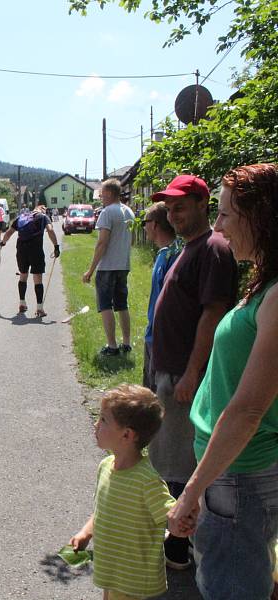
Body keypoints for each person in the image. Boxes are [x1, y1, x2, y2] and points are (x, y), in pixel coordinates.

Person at [167, 163, 278, 599]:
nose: (218, 225)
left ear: (262, 215)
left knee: (229, 587)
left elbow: (248, 409)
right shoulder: (263, 283)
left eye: (227, 214)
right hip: (231, 473)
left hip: (241, 477)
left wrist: (191, 492)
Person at [148, 174, 239, 570]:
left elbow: (212, 313)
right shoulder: (189, 247)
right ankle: (180, 538)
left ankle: (186, 547)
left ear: (203, 203)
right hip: (168, 369)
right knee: (170, 458)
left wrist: (191, 373)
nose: (173, 214)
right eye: (169, 208)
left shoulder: (214, 249)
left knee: (185, 464)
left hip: (187, 376)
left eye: (180, 206)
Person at [70, 384, 179, 600]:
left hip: (134, 581)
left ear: (127, 435)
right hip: (112, 571)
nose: (95, 424)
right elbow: (103, 509)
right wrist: (86, 532)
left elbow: (173, 513)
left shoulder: (146, 480)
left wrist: (181, 522)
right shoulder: (105, 466)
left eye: (103, 420)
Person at [82, 179, 135, 356]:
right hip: (123, 265)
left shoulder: (107, 212)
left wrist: (90, 270)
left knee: (106, 305)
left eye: (102, 194)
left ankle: (112, 346)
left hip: (107, 267)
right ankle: (126, 343)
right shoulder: (129, 211)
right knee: (122, 305)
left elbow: (102, 243)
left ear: (110, 193)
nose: (101, 198)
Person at [142, 202, 181, 390]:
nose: (144, 227)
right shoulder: (163, 254)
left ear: (154, 224)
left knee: (157, 396)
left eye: (145, 222)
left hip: (161, 340)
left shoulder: (173, 256)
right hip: (152, 335)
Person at [0, 204, 60, 317]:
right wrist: (56, 246)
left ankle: (22, 303)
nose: (45, 211)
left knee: (23, 275)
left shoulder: (21, 217)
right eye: (45, 209)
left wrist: (3, 242)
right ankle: (40, 308)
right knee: (37, 277)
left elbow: (9, 232)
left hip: (21, 249)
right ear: (41, 209)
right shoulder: (43, 217)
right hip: (35, 249)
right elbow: (50, 230)